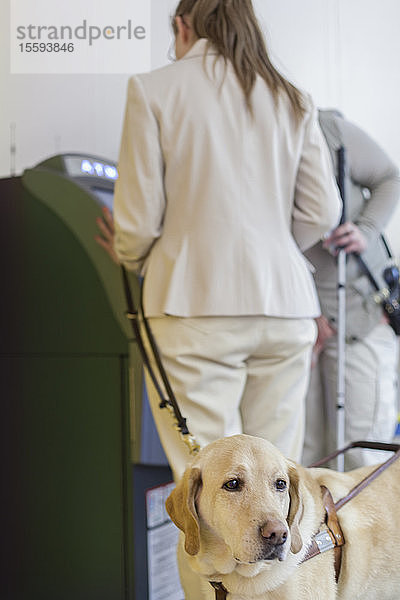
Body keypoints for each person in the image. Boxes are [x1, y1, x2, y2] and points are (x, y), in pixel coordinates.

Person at [97, 1, 341, 597]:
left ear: (183, 26)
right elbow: (322, 212)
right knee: (277, 492)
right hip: (284, 306)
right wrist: (271, 253)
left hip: (192, 307)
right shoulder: (291, 96)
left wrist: (129, 249)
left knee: (203, 497)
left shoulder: (155, 89)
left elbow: (133, 225)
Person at [303, 109, 400, 470]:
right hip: (304, 326)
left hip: (360, 319)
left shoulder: (329, 131)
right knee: (307, 456)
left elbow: (389, 177)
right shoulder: (253, 149)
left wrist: (366, 228)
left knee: (361, 455)